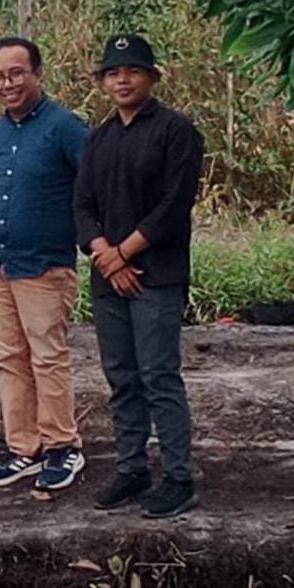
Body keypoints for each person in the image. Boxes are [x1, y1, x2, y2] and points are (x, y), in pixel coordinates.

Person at [75, 35, 204, 519]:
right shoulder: (100, 138)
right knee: (122, 378)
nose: (122, 79)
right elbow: (82, 205)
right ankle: (131, 469)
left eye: (132, 70)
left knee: (158, 376)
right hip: (109, 278)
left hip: (157, 274)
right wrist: (104, 255)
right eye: (112, 72)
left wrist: (123, 253)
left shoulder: (175, 131)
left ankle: (178, 478)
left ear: (153, 76)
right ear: (103, 82)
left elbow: (174, 204)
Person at [0, 37, 90, 491]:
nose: (8, 83)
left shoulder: (66, 128)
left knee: (47, 358)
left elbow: (94, 186)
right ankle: (24, 448)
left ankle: (63, 446)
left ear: (38, 74)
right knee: (9, 360)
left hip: (43, 267)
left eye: (17, 73)